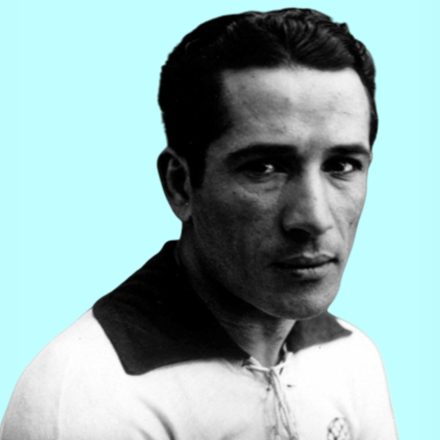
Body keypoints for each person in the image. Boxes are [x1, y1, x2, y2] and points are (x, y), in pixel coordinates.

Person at [1, 7, 398, 440]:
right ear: (181, 185)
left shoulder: (352, 357)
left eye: (341, 165)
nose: (314, 217)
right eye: (263, 167)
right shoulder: (90, 394)